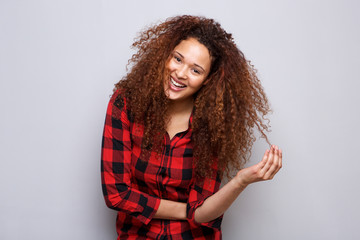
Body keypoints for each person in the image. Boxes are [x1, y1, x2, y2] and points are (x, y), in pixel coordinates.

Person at [101, 15, 282, 240]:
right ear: (165, 55)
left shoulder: (213, 123)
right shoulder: (126, 104)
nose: (180, 74)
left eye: (196, 70)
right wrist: (187, 211)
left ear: (207, 80)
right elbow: (116, 194)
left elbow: (204, 214)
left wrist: (240, 181)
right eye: (177, 59)